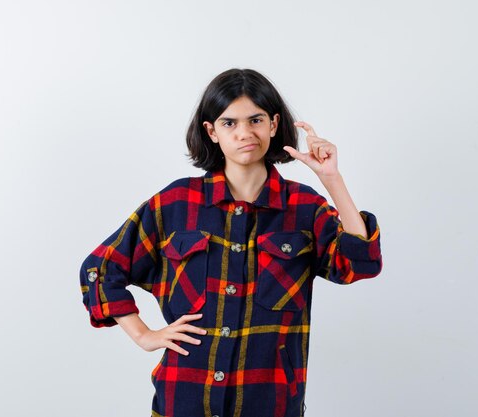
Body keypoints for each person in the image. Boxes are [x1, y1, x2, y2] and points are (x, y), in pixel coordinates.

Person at [79, 68, 383, 417]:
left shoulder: (304, 209)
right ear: (211, 131)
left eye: (255, 120)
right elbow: (100, 269)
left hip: (270, 404)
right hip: (184, 402)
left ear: (273, 124)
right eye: (229, 123)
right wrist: (144, 334)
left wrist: (332, 180)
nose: (244, 133)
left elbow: (362, 263)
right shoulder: (175, 203)